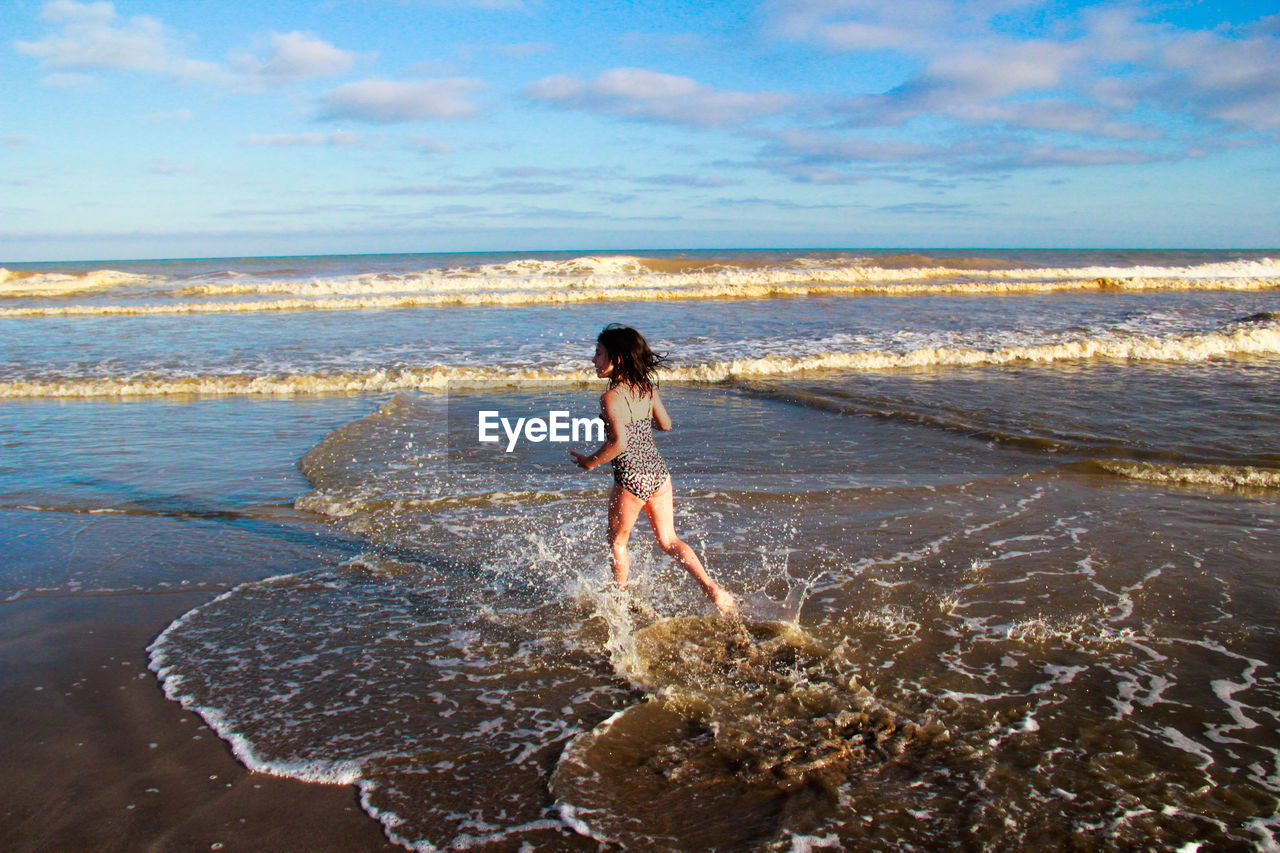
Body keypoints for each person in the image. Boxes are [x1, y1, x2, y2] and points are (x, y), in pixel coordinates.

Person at [569, 324, 737, 615]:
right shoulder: (646, 387)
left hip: (631, 477)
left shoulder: (610, 397)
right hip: (658, 473)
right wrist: (640, 422)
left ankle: (620, 604)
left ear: (617, 359)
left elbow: (618, 443)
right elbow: (665, 424)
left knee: (618, 543)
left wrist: (589, 462)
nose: (593, 360)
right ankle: (712, 588)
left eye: (598, 354)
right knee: (670, 541)